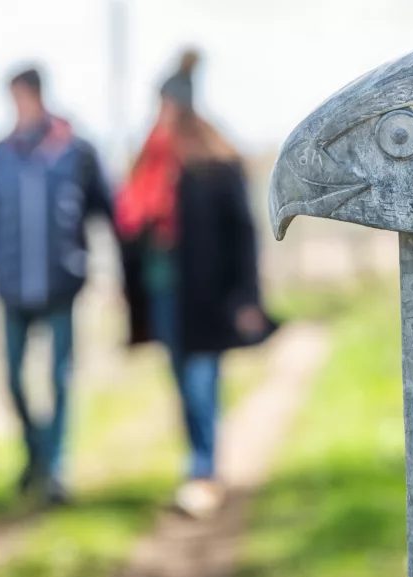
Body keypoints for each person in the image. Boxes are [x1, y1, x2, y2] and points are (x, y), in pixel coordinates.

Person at [116, 49, 276, 518]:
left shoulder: (215, 162)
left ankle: (203, 471)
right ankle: (200, 463)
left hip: (207, 298)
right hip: (164, 292)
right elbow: (132, 224)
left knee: (201, 380)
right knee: (182, 381)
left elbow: (243, 236)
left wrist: (247, 296)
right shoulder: (151, 166)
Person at [0, 66, 114, 504]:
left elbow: (107, 213)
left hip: (61, 284)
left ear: (36, 96)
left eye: (21, 98)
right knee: (12, 378)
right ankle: (36, 453)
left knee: (60, 378)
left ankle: (57, 468)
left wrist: (124, 275)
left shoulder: (75, 151)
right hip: (11, 289)